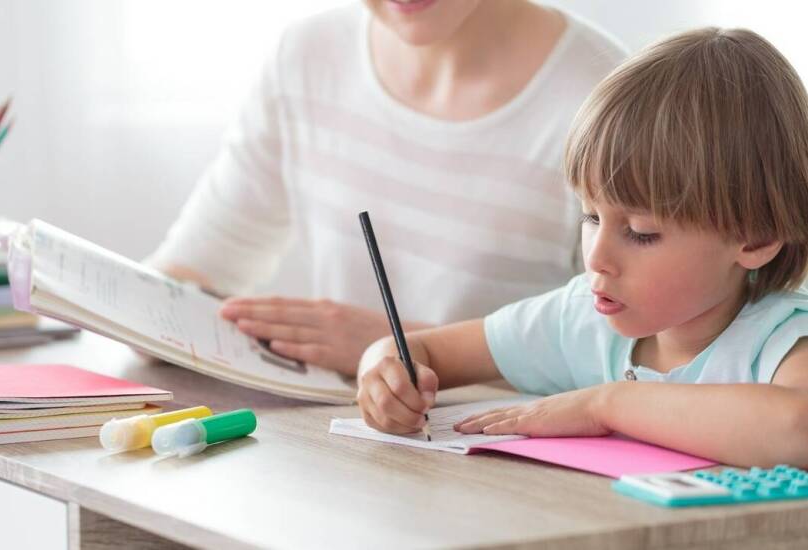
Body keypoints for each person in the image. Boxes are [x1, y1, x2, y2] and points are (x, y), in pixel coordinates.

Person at [356, 27, 808, 468]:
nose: (595, 258)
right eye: (591, 217)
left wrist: (605, 404)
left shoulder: (782, 341)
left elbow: (797, 429)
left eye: (641, 232)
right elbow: (419, 351)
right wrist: (384, 374)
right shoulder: (581, 318)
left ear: (757, 237)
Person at [146, 0, 626, 374]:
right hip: (341, 448)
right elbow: (198, 267)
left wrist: (407, 347)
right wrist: (131, 315)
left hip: (508, 470)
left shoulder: (609, 99)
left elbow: (632, 359)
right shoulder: (306, 58)